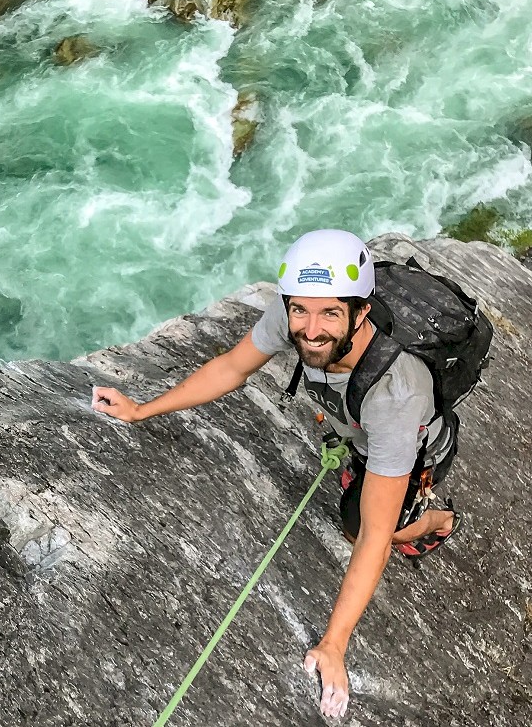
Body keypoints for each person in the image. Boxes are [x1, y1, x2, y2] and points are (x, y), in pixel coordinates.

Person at [92, 229, 460, 720]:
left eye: (330, 313)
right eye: (301, 311)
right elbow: (232, 368)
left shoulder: (396, 394)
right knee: (360, 499)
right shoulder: (298, 314)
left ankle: (439, 521)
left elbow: (373, 538)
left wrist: (333, 645)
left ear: (360, 313)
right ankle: (369, 477)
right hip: (360, 436)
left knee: (365, 526)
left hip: (408, 451)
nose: (309, 329)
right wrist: (142, 410)